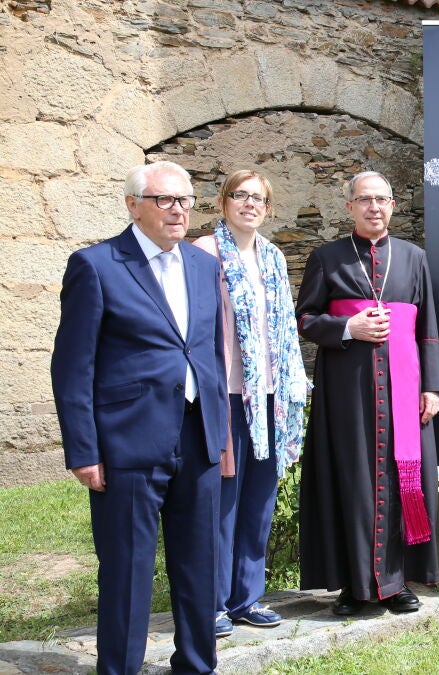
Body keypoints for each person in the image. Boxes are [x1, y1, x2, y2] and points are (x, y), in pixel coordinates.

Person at [51, 161, 228, 674]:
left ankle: (196, 665)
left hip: (197, 437)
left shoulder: (202, 265)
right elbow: (73, 366)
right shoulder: (97, 265)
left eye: (185, 200)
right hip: (127, 443)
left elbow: (209, 353)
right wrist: (83, 450)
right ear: (133, 205)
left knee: (200, 565)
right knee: (127, 570)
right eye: (164, 200)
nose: (178, 210)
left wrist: (220, 433)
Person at [295, 171, 439, 615]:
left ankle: (396, 583)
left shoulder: (414, 257)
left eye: (381, 199)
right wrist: (348, 327)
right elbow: (305, 319)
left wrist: (433, 386)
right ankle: (354, 586)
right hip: (348, 392)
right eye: (364, 199)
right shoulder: (327, 258)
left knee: (403, 481)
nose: (373, 207)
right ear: (350, 207)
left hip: (404, 391)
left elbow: (428, 327)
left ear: (392, 205)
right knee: (353, 480)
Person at [193, 170, 308, 637]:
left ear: (268, 207)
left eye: (258, 198)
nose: (249, 204)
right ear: (223, 202)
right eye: (239, 195)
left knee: (259, 501)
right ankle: (213, 604)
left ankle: (246, 598)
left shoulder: (274, 256)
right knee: (223, 500)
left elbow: (284, 327)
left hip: (271, 397)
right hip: (225, 394)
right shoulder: (203, 252)